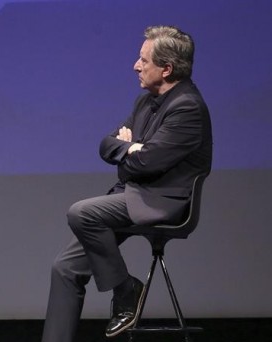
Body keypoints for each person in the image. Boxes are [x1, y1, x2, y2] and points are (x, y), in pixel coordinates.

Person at [41, 25, 212, 342]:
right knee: (64, 268)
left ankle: (126, 291)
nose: (136, 65)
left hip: (163, 203)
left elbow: (146, 163)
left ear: (166, 68)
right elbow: (107, 145)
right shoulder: (144, 102)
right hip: (131, 197)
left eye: (143, 60)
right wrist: (131, 149)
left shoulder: (187, 108)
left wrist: (135, 152)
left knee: (81, 212)